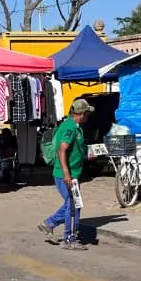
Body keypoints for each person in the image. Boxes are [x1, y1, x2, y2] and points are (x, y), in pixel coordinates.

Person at [38, 98, 96, 250]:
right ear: (81, 114)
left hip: (73, 174)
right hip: (66, 175)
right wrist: (66, 174)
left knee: (72, 204)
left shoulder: (76, 127)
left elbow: (74, 150)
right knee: (73, 205)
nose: (88, 117)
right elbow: (62, 150)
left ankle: (49, 223)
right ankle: (69, 239)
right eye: (87, 114)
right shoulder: (69, 128)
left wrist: (86, 155)